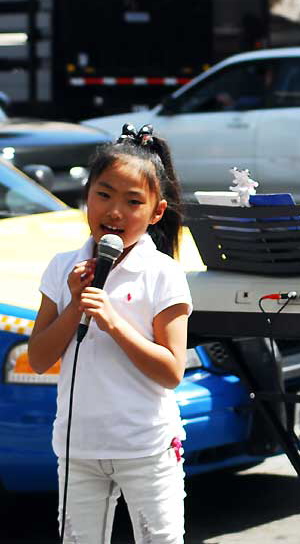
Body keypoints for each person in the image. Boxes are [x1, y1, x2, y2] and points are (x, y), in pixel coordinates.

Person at [28, 126, 191, 543]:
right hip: (77, 447)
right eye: (104, 194)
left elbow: (172, 371)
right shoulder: (63, 266)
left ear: (156, 212)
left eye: (133, 201)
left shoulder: (164, 274)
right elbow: (41, 356)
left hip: (146, 449)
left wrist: (113, 323)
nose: (115, 211)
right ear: (87, 196)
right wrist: (74, 304)